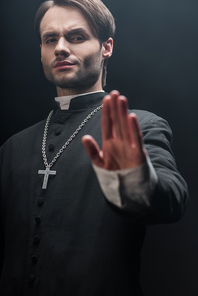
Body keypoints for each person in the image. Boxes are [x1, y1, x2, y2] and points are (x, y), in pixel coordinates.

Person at [0, 0, 188, 295]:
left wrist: (136, 183)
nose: (60, 48)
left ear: (106, 47)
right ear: (41, 51)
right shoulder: (12, 148)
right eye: (50, 39)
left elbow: (173, 200)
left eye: (76, 37)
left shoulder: (139, 126)